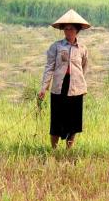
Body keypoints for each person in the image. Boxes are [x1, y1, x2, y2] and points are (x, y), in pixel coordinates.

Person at [37, 9, 90, 149]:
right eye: (66, 29)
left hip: (76, 89)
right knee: (56, 121)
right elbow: (49, 68)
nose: (68, 31)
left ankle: (68, 150)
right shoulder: (56, 47)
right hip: (59, 88)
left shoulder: (82, 49)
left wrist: (79, 82)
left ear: (77, 30)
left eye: (71, 29)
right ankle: (54, 150)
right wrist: (44, 88)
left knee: (74, 122)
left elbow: (83, 68)